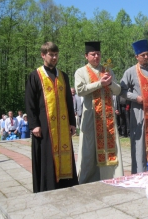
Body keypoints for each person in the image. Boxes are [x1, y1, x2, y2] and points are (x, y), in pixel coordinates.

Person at [25, 41, 78, 193]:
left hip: (62, 126)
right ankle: (47, 188)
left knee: (65, 155)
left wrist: (72, 123)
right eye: (51, 55)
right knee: (47, 157)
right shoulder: (35, 76)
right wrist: (34, 124)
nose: (54, 58)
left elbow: (69, 100)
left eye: (56, 55)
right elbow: (30, 102)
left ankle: (66, 186)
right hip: (44, 126)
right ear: (43, 55)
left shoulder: (63, 76)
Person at [75, 41, 123, 183]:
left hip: (107, 116)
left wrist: (110, 83)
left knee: (111, 146)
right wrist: (99, 84)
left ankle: (112, 176)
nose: (96, 56)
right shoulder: (81, 71)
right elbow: (80, 90)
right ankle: (88, 178)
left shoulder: (107, 70)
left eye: (98, 54)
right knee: (89, 148)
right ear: (86, 56)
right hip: (91, 115)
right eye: (93, 54)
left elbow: (118, 90)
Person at [120, 39, 148, 174]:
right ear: (136, 56)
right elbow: (122, 91)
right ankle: (139, 172)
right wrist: (135, 97)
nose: (146, 57)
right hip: (139, 113)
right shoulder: (130, 72)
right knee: (140, 143)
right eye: (143, 55)